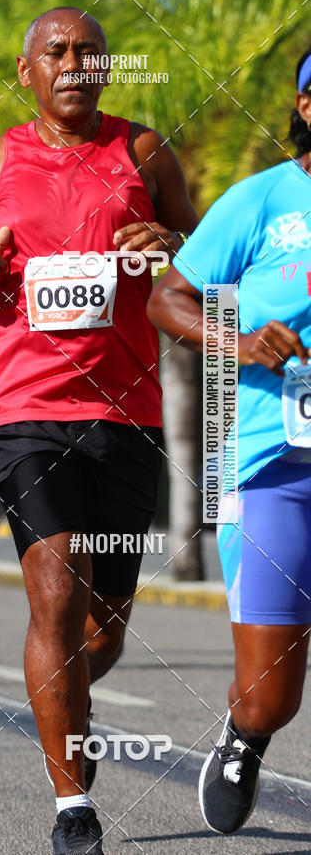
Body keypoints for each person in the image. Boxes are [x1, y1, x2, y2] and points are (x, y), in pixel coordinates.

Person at [0, 7, 197, 854]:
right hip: (26, 411)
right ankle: (72, 807)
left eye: (89, 51)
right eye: (56, 51)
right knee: (54, 591)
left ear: (107, 68)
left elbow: (203, 250)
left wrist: (170, 240)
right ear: (28, 71)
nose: (74, 63)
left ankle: (64, 706)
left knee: (103, 626)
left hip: (127, 411)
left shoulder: (145, 151)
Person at [146, 45, 311, 836]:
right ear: (306, 107)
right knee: (271, 695)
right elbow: (169, 299)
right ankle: (246, 736)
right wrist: (241, 343)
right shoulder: (262, 200)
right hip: (274, 464)